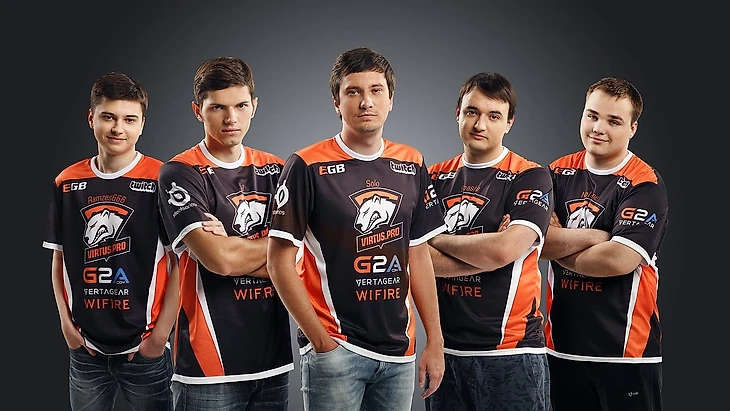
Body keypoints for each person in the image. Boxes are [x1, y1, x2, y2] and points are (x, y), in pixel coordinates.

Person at [266, 47, 446, 411]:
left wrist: (435, 340)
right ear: (337, 102)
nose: (366, 101)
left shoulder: (412, 162)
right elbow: (278, 262)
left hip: (399, 354)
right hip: (336, 350)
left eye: (376, 90)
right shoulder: (306, 165)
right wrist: (320, 342)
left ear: (391, 100)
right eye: (353, 91)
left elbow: (418, 255)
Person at [156, 56, 293, 411]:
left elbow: (302, 257)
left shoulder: (278, 169)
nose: (231, 118)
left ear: (254, 107)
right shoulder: (180, 172)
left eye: (240, 106)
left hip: (274, 361)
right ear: (197, 111)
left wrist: (234, 245)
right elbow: (219, 260)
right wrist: (275, 248)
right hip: (208, 368)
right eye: (217, 107)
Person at [43, 72, 178, 411]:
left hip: (145, 349)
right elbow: (59, 259)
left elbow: (181, 263)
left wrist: (160, 336)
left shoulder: (162, 179)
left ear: (142, 125)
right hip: (85, 350)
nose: (118, 128)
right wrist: (67, 326)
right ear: (91, 118)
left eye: (129, 119)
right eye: (109, 117)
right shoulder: (66, 182)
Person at [425, 72, 553, 411]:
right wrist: (488, 249)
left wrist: (438, 239)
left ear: (509, 123)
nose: (480, 124)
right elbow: (414, 257)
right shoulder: (432, 178)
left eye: (494, 116)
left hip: (512, 354)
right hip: (446, 353)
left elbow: (504, 250)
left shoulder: (530, 176)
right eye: (472, 112)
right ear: (458, 113)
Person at [541, 77, 668, 411]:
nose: (598, 128)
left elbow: (617, 261)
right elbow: (533, 242)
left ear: (632, 128)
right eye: (592, 116)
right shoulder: (556, 173)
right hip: (560, 350)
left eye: (614, 121)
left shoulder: (645, 184)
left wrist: (560, 243)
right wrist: (595, 237)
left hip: (626, 356)